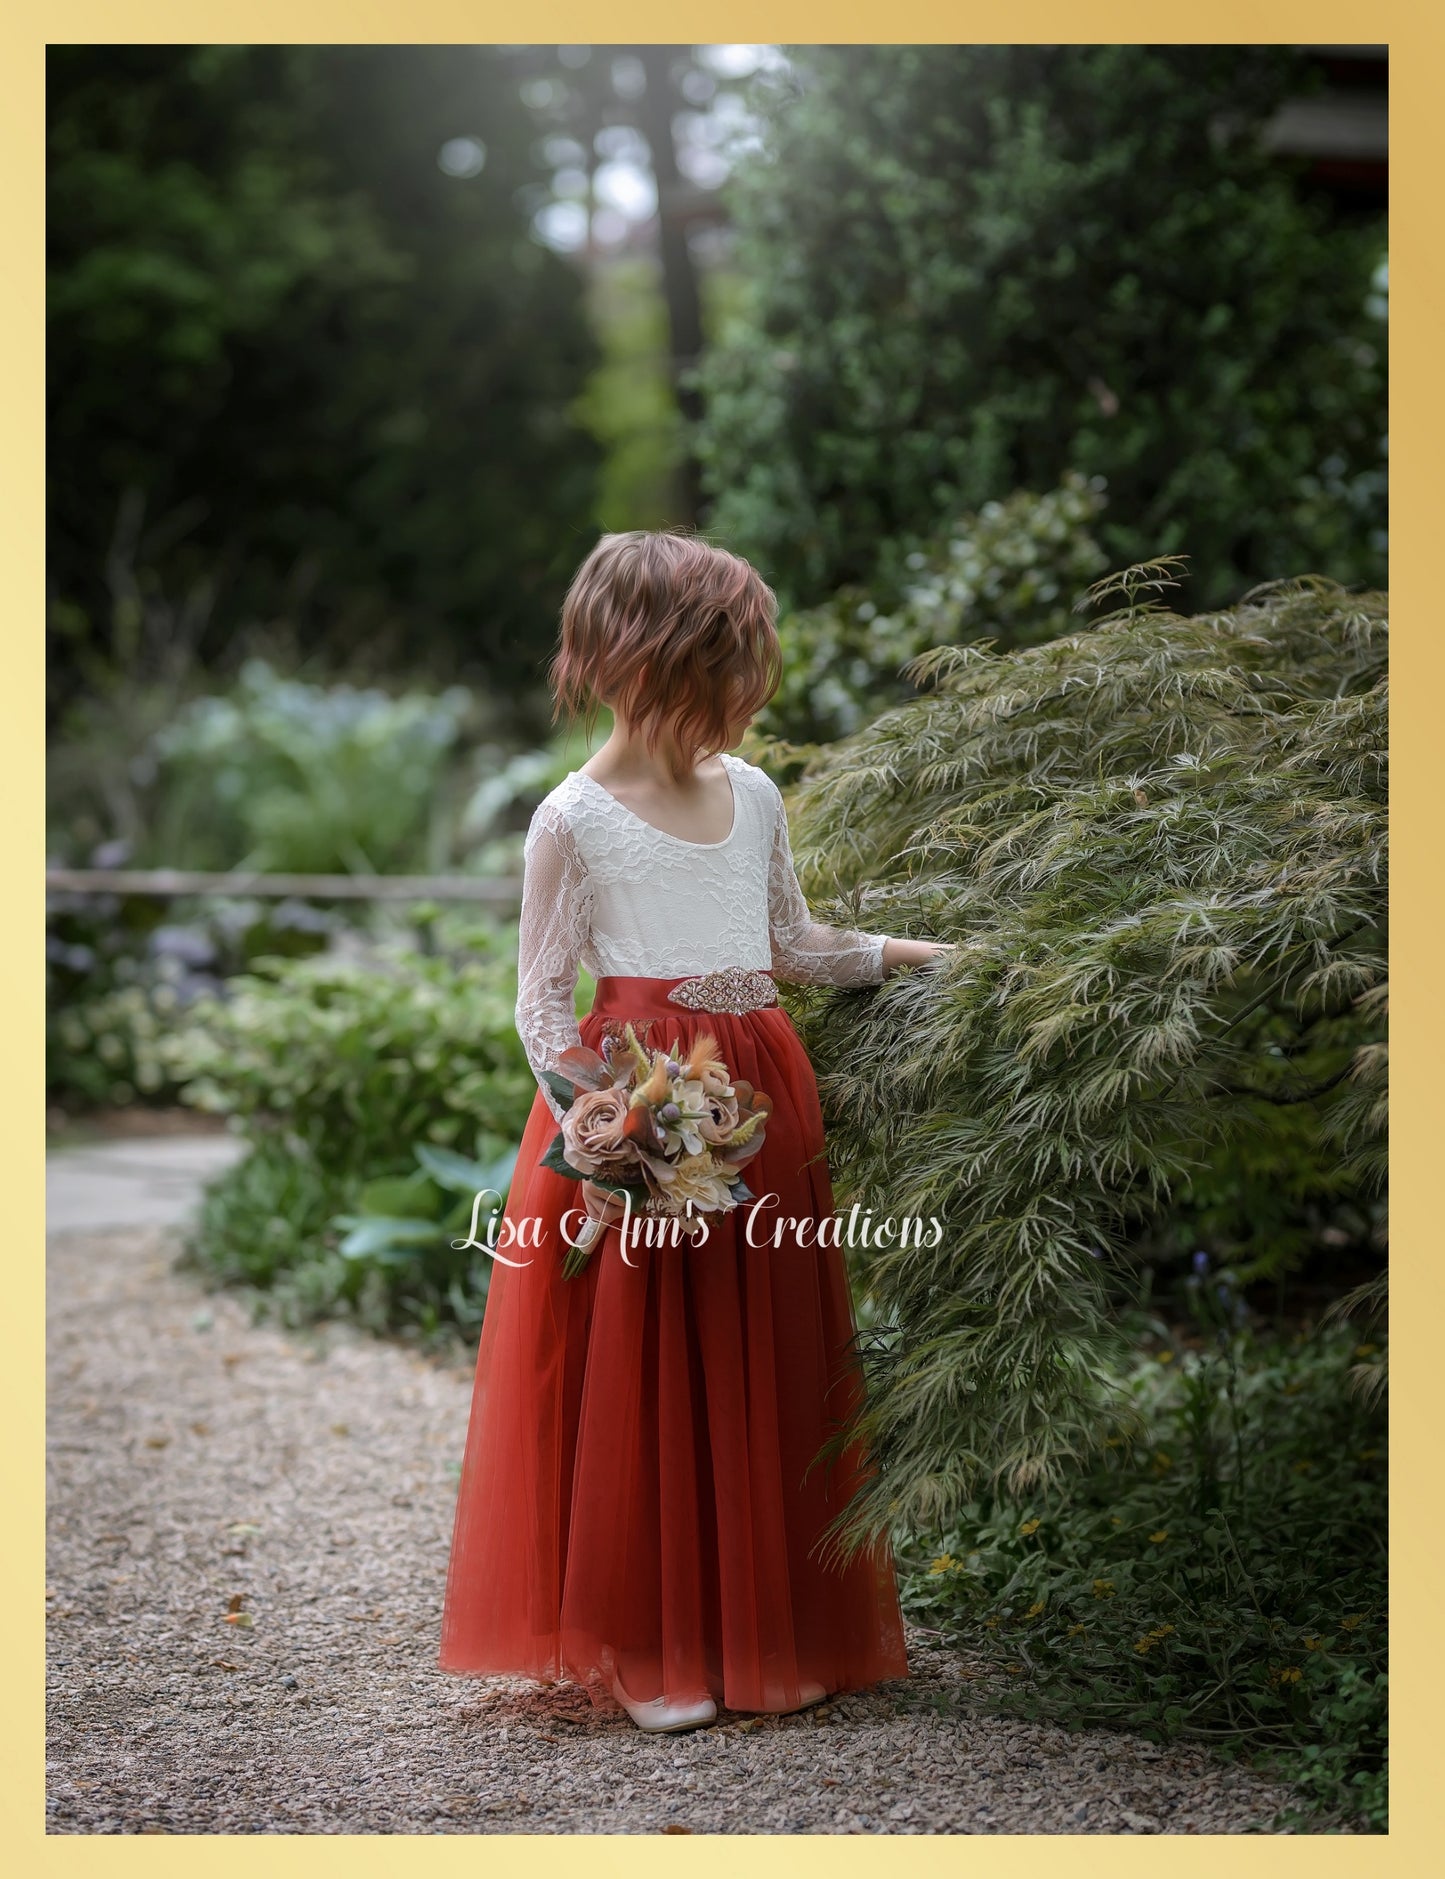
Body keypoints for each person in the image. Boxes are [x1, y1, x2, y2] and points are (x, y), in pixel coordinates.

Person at [438, 529, 952, 1734]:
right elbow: (536, 999)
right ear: (642, 660)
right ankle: (650, 1643)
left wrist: (902, 955)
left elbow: (788, 947)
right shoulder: (571, 818)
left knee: (760, 1349)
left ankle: (765, 1628)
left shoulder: (754, 792)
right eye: (722, 664)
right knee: (650, 1367)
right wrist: (605, 1131)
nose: (739, 692)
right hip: (642, 1103)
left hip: (761, 1093)